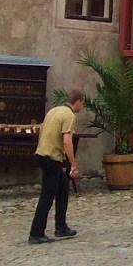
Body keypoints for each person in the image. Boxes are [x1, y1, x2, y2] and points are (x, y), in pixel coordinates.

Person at [29, 89, 83, 244]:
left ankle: (61, 226)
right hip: (51, 157)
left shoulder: (54, 111)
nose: (82, 107)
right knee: (47, 195)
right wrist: (73, 164)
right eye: (82, 103)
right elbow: (67, 141)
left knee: (63, 187)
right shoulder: (69, 115)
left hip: (43, 154)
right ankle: (36, 233)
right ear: (78, 101)